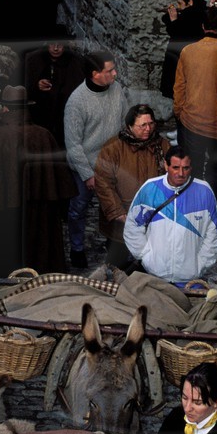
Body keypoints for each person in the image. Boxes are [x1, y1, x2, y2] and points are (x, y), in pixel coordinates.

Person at [0, 86, 74, 275]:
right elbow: (59, 176)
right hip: (41, 208)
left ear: (6, 109)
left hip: (5, 207)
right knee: (39, 245)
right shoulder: (44, 135)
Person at [63, 51, 128, 270]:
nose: (115, 73)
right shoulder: (77, 102)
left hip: (111, 163)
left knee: (113, 206)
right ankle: (77, 248)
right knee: (78, 209)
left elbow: (124, 123)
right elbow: (73, 145)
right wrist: (87, 174)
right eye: (109, 70)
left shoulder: (117, 90)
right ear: (95, 74)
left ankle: (114, 245)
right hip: (86, 165)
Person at [172, 6, 217, 193]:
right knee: (216, 170)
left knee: (192, 167)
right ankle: (212, 211)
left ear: (203, 26)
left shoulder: (188, 51)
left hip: (192, 120)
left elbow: (179, 87)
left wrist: (179, 112)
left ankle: (191, 208)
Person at [123, 147, 217, 284]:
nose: (181, 173)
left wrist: (201, 263)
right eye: (175, 167)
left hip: (189, 279)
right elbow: (133, 225)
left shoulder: (204, 191)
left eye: (185, 168)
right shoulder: (150, 188)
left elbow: (213, 232)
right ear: (166, 165)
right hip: (155, 275)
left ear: (191, 168)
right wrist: (146, 256)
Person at [94, 103, 168, 268]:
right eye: (142, 125)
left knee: (150, 264)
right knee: (117, 264)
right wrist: (118, 213)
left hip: (152, 220)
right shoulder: (113, 148)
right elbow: (103, 183)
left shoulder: (162, 146)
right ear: (129, 126)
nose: (148, 129)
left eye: (151, 124)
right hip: (122, 220)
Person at [158, 0, 205, 99]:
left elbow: (177, 32)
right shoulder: (196, 13)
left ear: (190, 2)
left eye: (180, 3)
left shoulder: (190, 16)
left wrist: (173, 19)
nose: (179, 6)